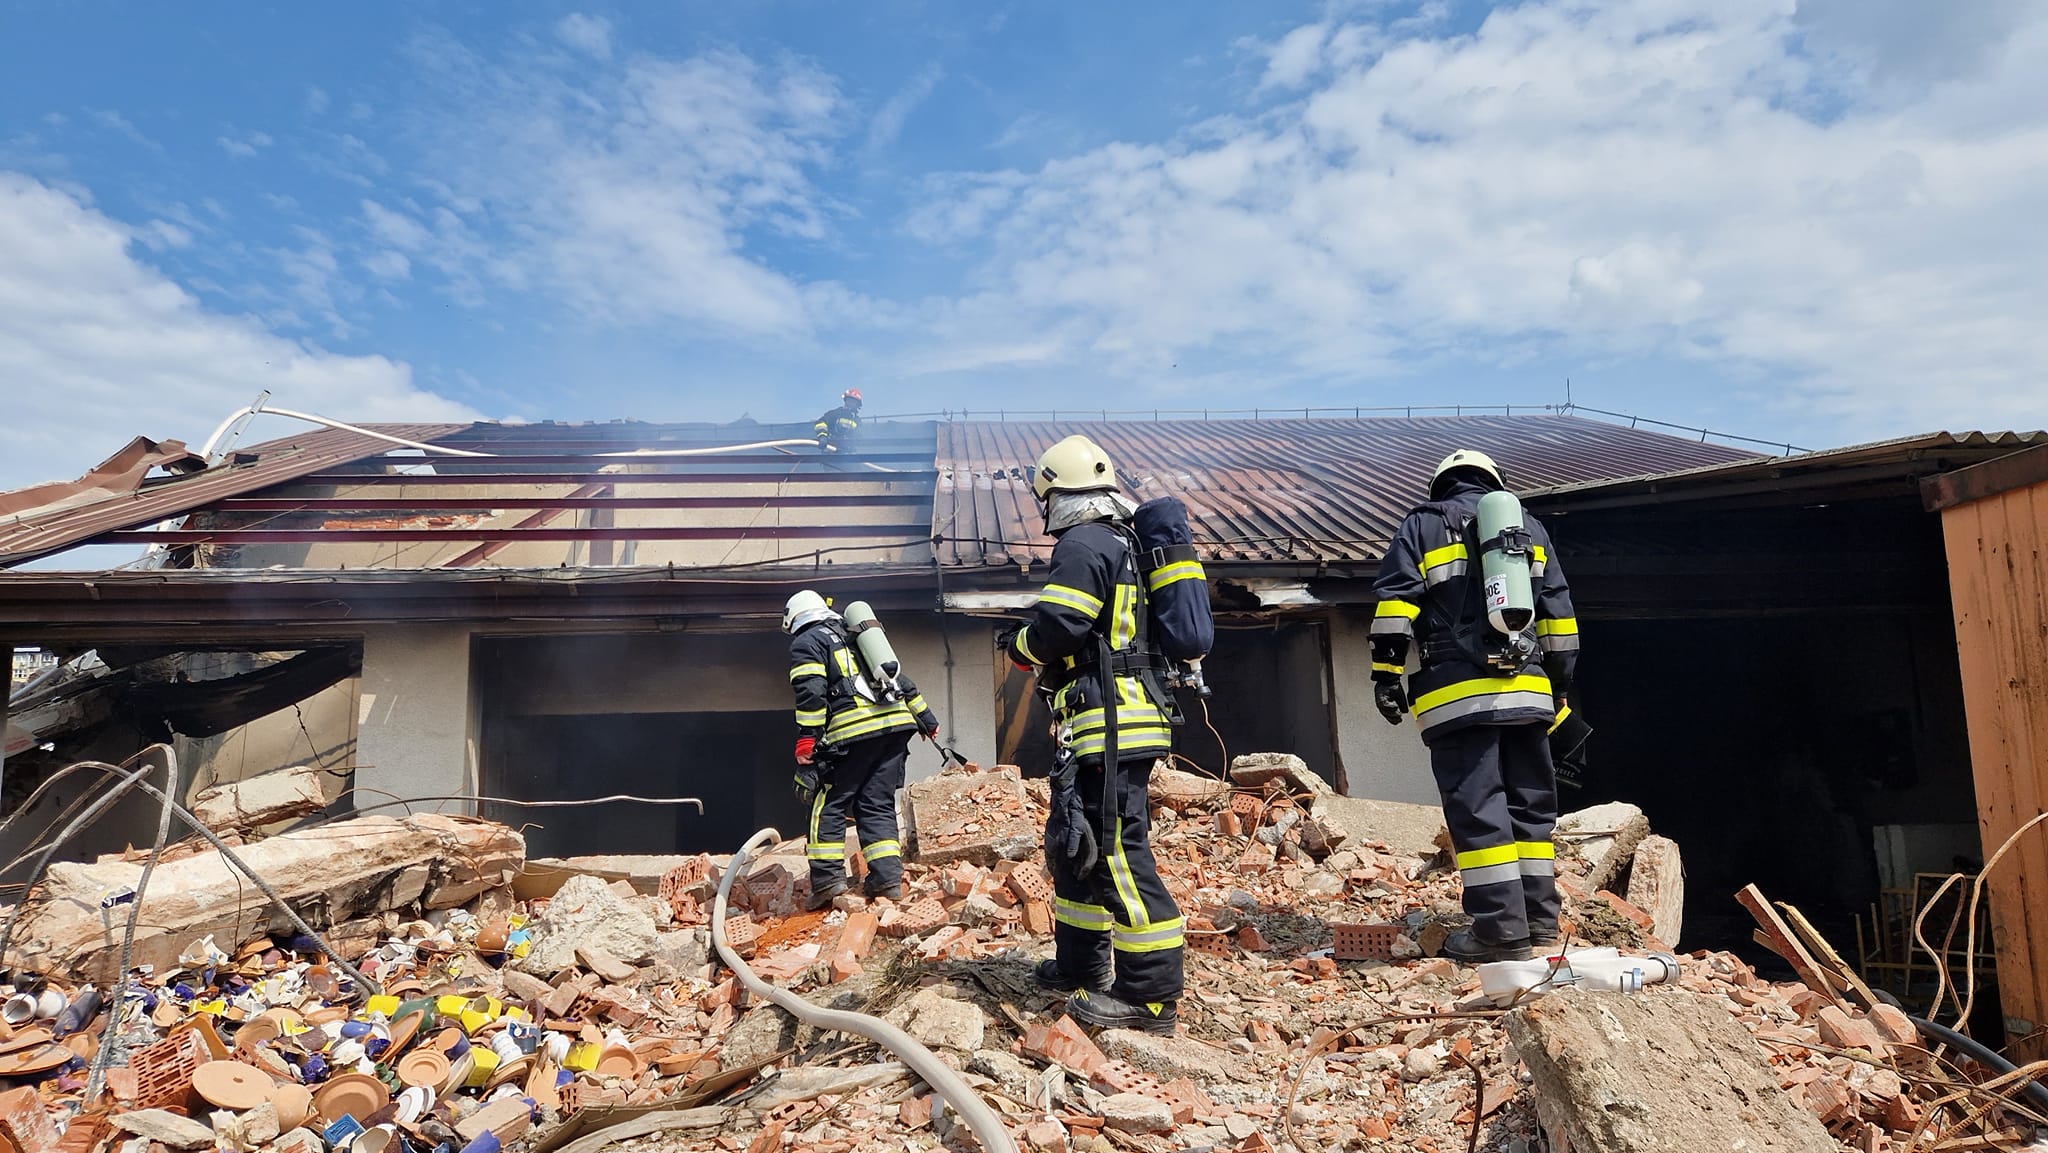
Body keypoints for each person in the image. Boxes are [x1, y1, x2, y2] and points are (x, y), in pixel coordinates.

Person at [1003, 435, 1185, 1034]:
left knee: (1116, 853)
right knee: (1077, 847)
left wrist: (1021, 647)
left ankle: (1150, 996)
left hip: (1114, 724)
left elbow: (1060, 624)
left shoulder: (1084, 542)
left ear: (1055, 493)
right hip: (1108, 722)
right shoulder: (1125, 542)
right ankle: (1081, 965)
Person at [1369, 449, 1580, 963]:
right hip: (1530, 693)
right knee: (1531, 811)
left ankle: (1499, 932)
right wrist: (1557, 685)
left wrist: (1386, 676)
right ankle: (1540, 925)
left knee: (1480, 810)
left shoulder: (1421, 526)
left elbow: (1396, 607)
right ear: (1495, 483)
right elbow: (1560, 616)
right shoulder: (1528, 527)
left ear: (1442, 486)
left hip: (1456, 699)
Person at [783, 589, 938, 908]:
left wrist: (807, 739)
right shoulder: (858, 635)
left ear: (795, 620)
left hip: (852, 733)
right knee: (876, 803)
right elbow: (902, 681)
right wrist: (926, 718)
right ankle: (887, 881)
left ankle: (828, 881)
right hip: (896, 728)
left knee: (828, 802)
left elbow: (811, 692)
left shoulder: (807, 642)